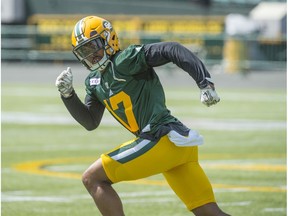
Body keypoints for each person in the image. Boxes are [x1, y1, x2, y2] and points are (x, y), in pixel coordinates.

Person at [55, 15, 229, 216]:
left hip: (159, 138)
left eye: (93, 47)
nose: (91, 55)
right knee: (210, 213)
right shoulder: (93, 81)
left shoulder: (124, 60)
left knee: (92, 179)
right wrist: (68, 95)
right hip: (176, 146)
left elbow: (171, 48)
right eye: (84, 51)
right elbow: (90, 122)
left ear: (108, 39)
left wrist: (204, 81)